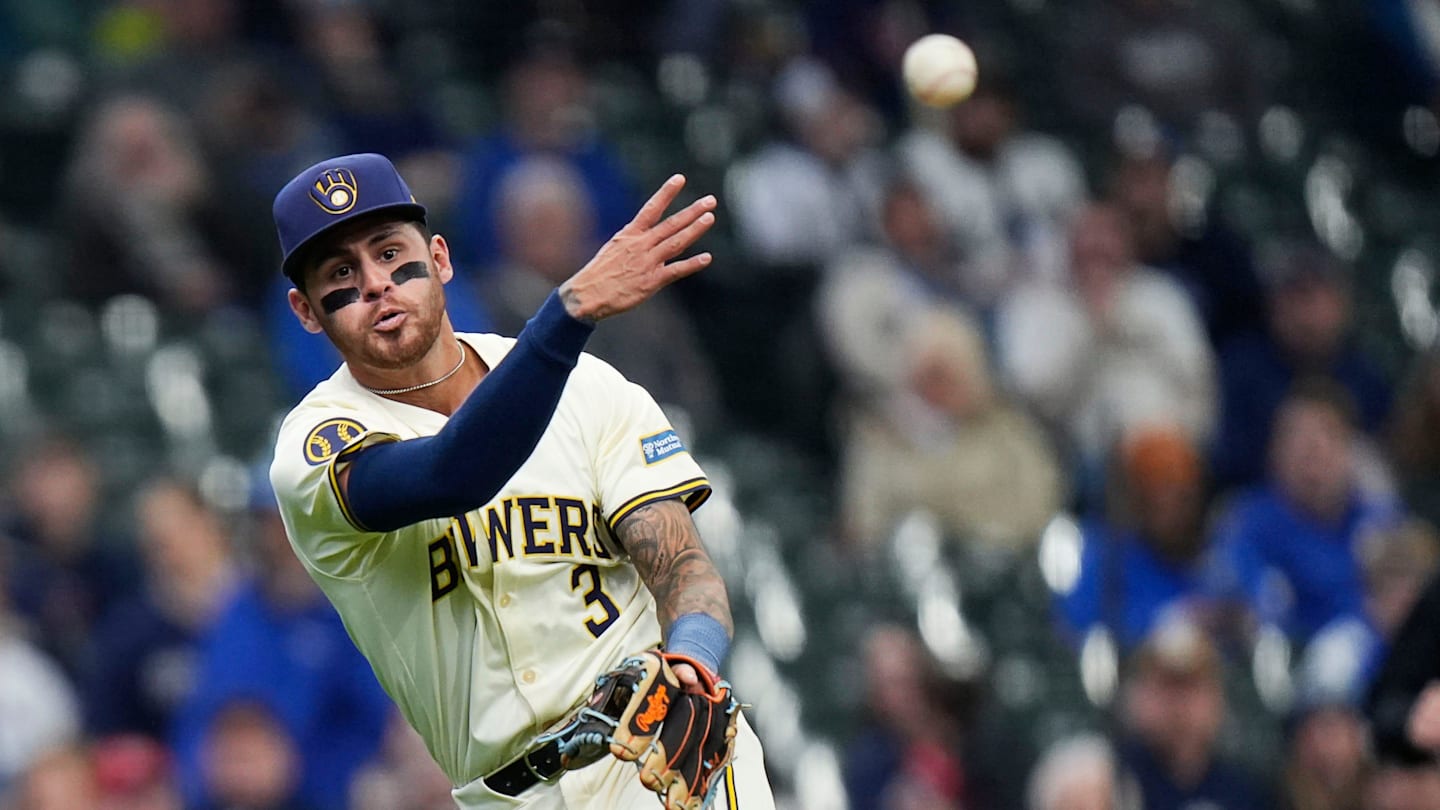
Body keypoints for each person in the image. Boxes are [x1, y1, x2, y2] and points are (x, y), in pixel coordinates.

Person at [266, 152, 773, 808]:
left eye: (391, 253)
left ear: (441, 259)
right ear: (307, 311)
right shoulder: (316, 445)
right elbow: (453, 472)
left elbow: (684, 568)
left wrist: (693, 661)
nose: (377, 283)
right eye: (341, 272)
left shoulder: (588, 389)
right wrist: (568, 314)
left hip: (662, 759)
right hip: (511, 797)